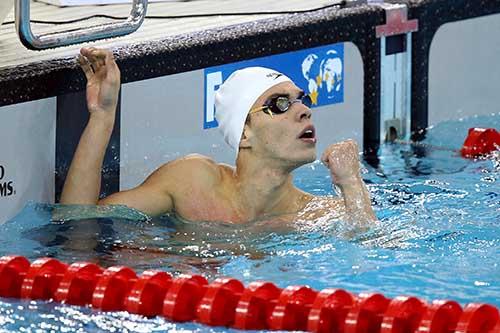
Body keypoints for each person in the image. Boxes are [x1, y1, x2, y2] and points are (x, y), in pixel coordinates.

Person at [60, 47, 377, 230]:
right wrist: (103, 115)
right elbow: (77, 222)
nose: (304, 111)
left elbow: (370, 251)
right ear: (244, 133)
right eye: (281, 104)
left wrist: (351, 183)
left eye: (302, 100)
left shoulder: (317, 213)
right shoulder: (192, 182)